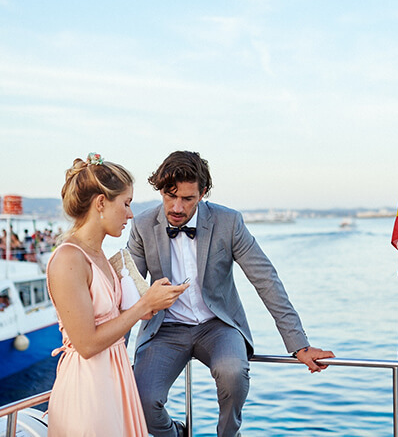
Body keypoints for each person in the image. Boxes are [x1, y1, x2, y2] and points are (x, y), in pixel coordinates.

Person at [128, 151, 334, 437]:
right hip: (165, 328)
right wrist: (110, 351)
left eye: (187, 199)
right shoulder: (141, 226)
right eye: (169, 195)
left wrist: (299, 344)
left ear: (202, 194)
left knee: (234, 374)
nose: (176, 207)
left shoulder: (229, 222)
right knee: (140, 399)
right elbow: (127, 294)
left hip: (218, 325)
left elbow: (266, 280)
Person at [46, 153, 188, 437]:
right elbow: (86, 344)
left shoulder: (99, 255)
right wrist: (141, 307)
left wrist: (147, 306)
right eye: (126, 203)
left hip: (115, 379)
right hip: (89, 391)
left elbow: (109, 323)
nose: (130, 214)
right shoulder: (69, 260)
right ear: (101, 203)